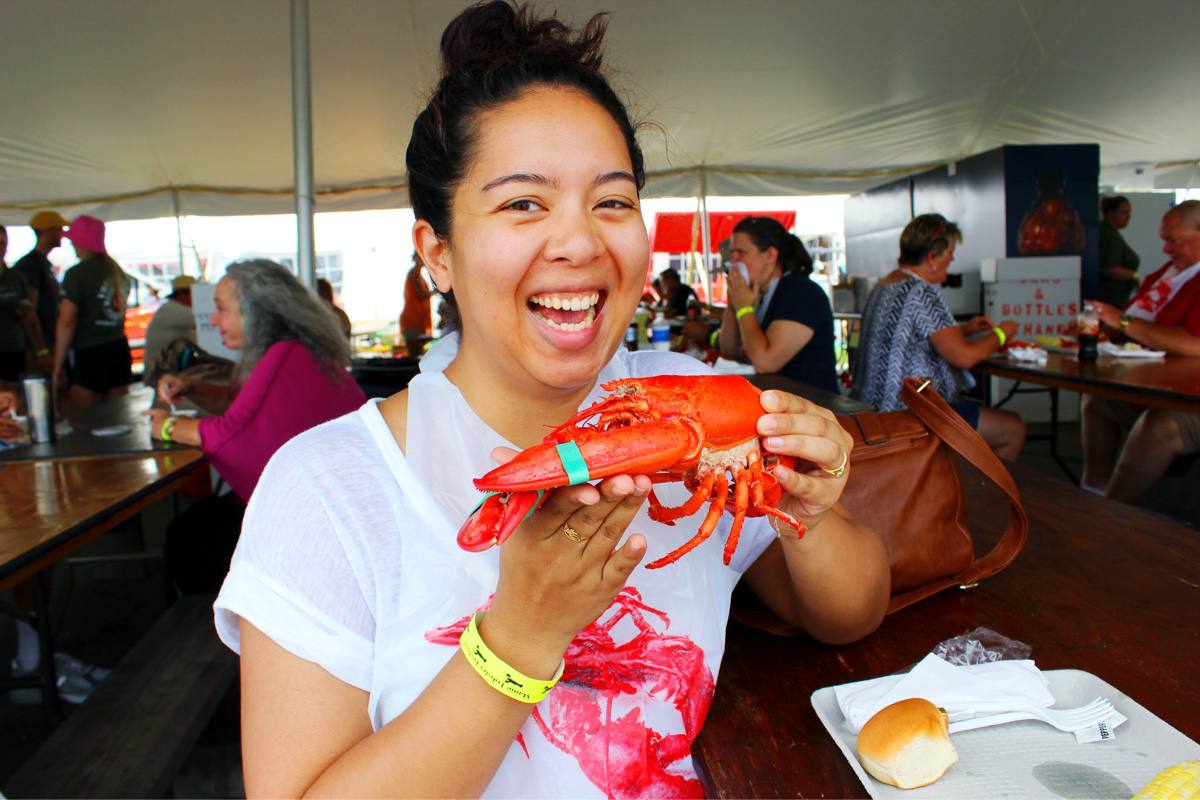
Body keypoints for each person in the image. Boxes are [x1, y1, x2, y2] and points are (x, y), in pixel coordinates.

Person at [213, 4, 889, 797]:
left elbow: (848, 615)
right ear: (437, 251)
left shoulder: (699, 408)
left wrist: (807, 512)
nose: (580, 242)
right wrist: (519, 639)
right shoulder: (328, 490)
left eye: (613, 201)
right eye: (523, 204)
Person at [147, 260, 366, 594]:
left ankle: (205, 636)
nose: (213, 319)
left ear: (256, 313)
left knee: (188, 536)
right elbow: (247, 411)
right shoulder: (296, 351)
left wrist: (167, 426)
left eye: (222, 309)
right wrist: (192, 387)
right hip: (335, 511)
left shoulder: (283, 354)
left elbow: (231, 434)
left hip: (314, 528)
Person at [853, 214, 1027, 459]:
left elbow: (907, 334)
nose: (953, 258)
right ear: (932, 258)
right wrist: (1002, 333)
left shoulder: (884, 285)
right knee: (1013, 429)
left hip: (873, 409)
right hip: (908, 413)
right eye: (950, 252)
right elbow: (964, 357)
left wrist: (965, 329)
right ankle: (983, 495)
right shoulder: (920, 291)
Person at [1081, 200, 1200, 502]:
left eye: (1172, 240)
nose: (1166, 249)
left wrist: (1121, 319)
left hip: (1189, 397)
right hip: (1163, 384)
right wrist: (1100, 324)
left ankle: (1111, 513)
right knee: (1097, 399)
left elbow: (1193, 345)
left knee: (1159, 423)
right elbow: (1138, 328)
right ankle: (1092, 491)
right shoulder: (1170, 274)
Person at [717, 216, 840, 392]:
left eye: (741, 252)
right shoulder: (757, 293)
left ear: (770, 255)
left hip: (815, 407)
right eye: (732, 253)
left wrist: (744, 308)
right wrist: (733, 305)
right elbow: (729, 351)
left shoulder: (801, 293)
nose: (733, 261)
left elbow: (765, 362)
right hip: (780, 403)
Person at [52, 215, 132, 409]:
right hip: (118, 348)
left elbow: (67, 321)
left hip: (90, 353)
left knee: (82, 422)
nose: (71, 244)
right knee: (117, 417)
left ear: (81, 242)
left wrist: (57, 366)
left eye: (73, 240)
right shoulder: (117, 271)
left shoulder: (77, 274)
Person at [12, 210, 67, 352]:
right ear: (46, 231)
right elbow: (29, 312)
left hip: (50, 342)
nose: (63, 234)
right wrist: (41, 350)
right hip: (39, 348)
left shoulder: (43, 263)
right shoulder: (30, 264)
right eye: (59, 229)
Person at [1, 224, 48, 382]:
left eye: (3, 243)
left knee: (14, 397)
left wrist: (41, 350)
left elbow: (30, 317)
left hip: (14, 350)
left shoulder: (16, 278)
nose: (1, 247)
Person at [141, 275, 198, 384]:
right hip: (161, 374)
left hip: (165, 371)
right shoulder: (174, 310)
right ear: (183, 293)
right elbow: (205, 322)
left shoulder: (170, 309)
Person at [1097, 195, 1141, 308]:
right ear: (1111, 213)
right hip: (1111, 301)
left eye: (1129, 213)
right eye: (1124, 212)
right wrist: (1134, 275)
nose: (1128, 217)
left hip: (1114, 300)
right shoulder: (1109, 234)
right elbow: (1108, 268)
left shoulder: (1109, 232)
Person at [400, 254, 433, 356]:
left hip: (418, 323)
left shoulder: (419, 275)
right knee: (415, 358)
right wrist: (439, 291)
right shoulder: (414, 274)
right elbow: (421, 294)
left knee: (419, 356)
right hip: (412, 323)